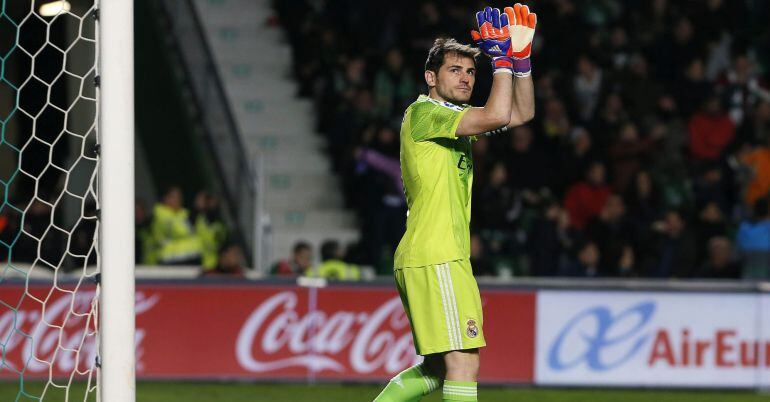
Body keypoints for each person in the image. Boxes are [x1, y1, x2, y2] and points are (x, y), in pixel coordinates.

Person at [374, 5, 536, 402]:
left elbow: (522, 113)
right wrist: (501, 60)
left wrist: (521, 63)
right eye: (454, 70)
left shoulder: (452, 118)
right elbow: (499, 111)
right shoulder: (426, 113)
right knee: (464, 362)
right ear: (430, 77)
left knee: (436, 369)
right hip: (437, 254)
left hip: (437, 254)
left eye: (470, 72)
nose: (465, 78)